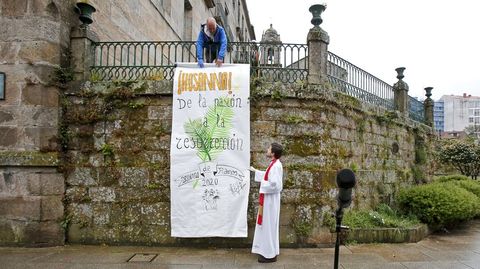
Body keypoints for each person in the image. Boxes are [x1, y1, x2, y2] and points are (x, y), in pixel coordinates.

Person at [249, 142, 284, 263]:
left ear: (273, 153)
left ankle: (269, 255)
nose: (267, 149)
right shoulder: (273, 164)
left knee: (269, 226)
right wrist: (256, 172)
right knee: (267, 225)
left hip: (270, 202)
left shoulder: (276, 166)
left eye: (269, 148)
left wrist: (262, 185)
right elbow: (268, 176)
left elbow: (276, 185)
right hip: (269, 200)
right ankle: (268, 251)